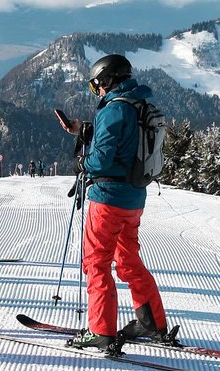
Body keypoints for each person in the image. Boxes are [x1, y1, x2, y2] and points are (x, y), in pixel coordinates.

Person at [59, 53, 168, 353]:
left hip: (107, 199)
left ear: (108, 79)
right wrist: (86, 130)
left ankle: (100, 330)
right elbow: (125, 142)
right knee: (128, 260)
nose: (98, 92)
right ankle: (152, 321)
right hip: (134, 198)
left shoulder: (112, 109)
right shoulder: (138, 104)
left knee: (96, 262)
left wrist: (83, 163)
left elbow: (103, 159)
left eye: (97, 86)